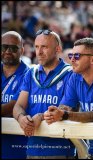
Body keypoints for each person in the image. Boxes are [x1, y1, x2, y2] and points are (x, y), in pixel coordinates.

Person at [12, 29, 75, 158]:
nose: (39, 52)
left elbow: (65, 109)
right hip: (32, 150)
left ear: (57, 49)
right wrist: (21, 118)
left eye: (44, 47)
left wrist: (40, 116)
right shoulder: (31, 73)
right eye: (36, 47)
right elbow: (19, 106)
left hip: (60, 151)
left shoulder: (70, 74)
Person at [1, 31, 30, 159]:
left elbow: (13, 106)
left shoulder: (29, 74)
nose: (8, 51)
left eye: (13, 48)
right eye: (4, 47)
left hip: (17, 148)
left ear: (22, 50)